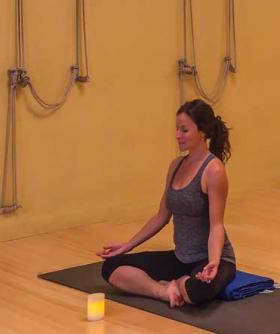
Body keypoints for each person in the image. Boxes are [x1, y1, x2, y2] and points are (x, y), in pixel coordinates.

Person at [98, 99, 237, 306]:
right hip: (180, 258)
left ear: (202, 132)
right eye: (176, 129)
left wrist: (214, 262)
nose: (177, 135)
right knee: (111, 267)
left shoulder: (214, 171)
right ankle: (165, 291)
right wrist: (127, 246)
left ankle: (182, 285)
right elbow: (161, 216)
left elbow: (217, 226)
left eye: (184, 130)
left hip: (211, 258)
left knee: (197, 291)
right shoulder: (175, 165)